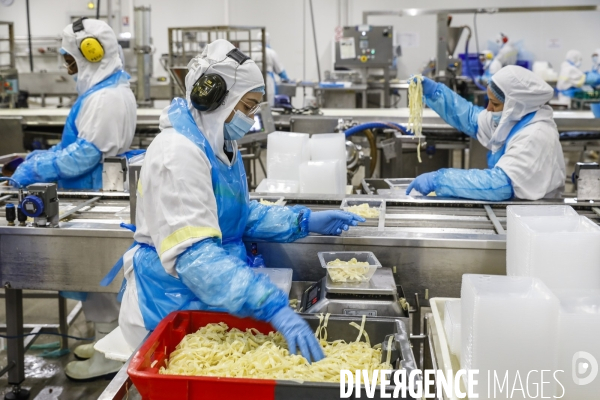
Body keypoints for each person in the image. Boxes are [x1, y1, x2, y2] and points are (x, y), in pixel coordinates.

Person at [113, 39, 363, 362]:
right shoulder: (176, 153)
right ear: (216, 99)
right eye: (248, 107)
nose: (252, 118)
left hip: (210, 299)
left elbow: (239, 214)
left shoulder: (220, 147)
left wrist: (303, 220)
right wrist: (269, 303)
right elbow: (196, 258)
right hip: (167, 306)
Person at [11, 18, 137, 380]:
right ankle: (105, 340)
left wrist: (36, 166)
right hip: (91, 190)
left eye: (70, 59)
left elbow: (84, 155)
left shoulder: (106, 97)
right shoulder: (107, 90)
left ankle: (111, 353)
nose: (68, 67)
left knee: (96, 273)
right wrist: (43, 157)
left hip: (93, 192)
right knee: (95, 277)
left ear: (91, 54)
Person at [406, 65, 565, 201]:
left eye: (494, 103)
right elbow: (471, 118)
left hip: (537, 218)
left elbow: (499, 184)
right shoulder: (514, 119)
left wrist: (439, 180)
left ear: (514, 106)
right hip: (517, 210)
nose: (488, 108)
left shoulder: (535, 136)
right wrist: (435, 92)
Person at [251, 32, 290, 106]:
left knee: (256, 105)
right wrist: (286, 79)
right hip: (268, 81)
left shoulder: (252, 51)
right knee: (268, 105)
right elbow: (280, 70)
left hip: (254, 81)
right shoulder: (271, 53)